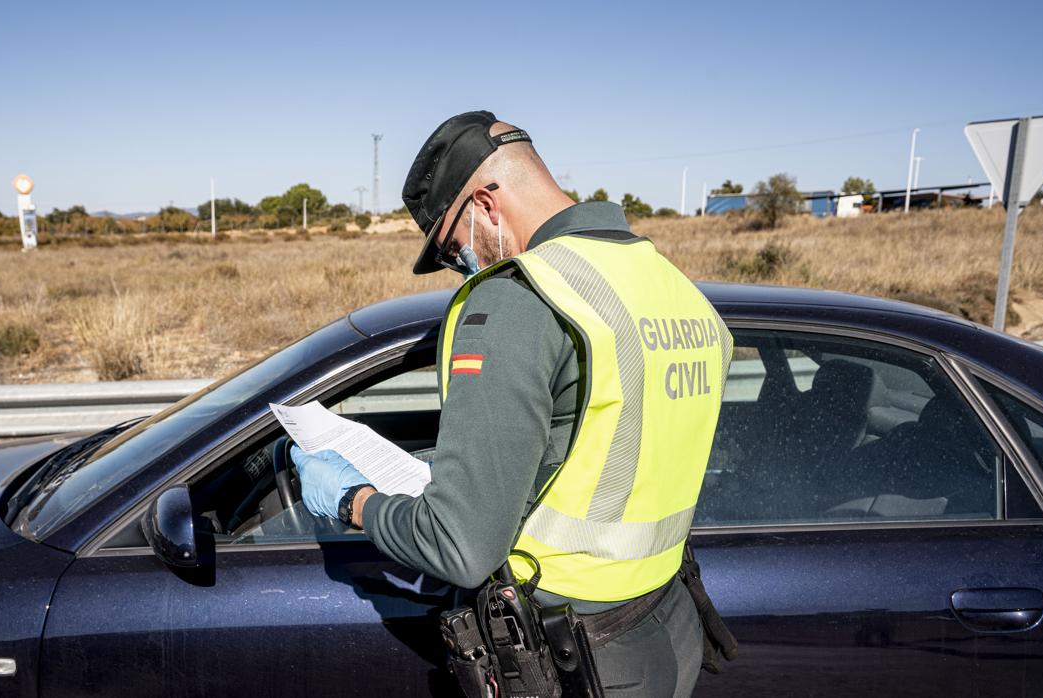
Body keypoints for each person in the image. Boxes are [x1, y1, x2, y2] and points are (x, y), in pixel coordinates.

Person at [292, 111, 732, 697]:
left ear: (486, 205)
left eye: (454, 248)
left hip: (578, 652)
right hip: (668, 624)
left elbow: (461, 547)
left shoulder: (520, 301)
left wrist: (352, 502)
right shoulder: (667, 284)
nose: (461, 267)